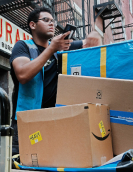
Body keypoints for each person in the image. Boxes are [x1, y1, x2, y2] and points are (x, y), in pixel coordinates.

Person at [10, 7, 102, 154]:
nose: (51, 24)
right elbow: (23, 75)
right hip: (26, 123)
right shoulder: (23, 46)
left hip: (53, 122)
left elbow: (89, 43)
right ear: (32, 25)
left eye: (53, 21)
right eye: (46, 20)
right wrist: (51, 48)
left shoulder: (60, 49)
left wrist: (95, 35)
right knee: (23, 168)